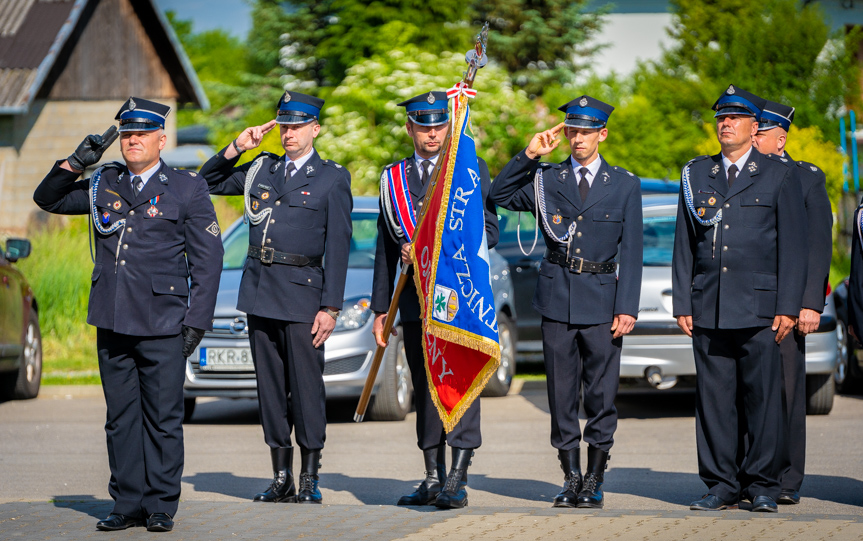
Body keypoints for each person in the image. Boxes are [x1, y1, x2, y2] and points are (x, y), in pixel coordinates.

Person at [33, 98, 224, 532]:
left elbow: (208, 263)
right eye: (126, 134)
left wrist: (196, 323)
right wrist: (78, 160)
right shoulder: (105, 182)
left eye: (141, 133)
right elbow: (48, 199)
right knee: (120, 417)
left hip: (163, 321)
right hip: (113, 318)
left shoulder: (186, 188)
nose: (133, 140)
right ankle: (126, 502)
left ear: (161, 137)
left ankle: (160, 504)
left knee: (162, 417)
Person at [489, 96, 643, 509]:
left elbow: (632, 251)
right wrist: (529, 153)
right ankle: (570, 476)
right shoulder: (545, 179)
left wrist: (627, 306)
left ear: (602, 135)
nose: (577, 138)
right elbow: (499, 193)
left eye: (586, 131)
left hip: (602, 300)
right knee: (560, 393)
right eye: (572, 131)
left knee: (600, 394)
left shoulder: (625, 184)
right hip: (557, 297)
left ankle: (595, 477)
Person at [199, 91, 352, 505]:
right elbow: (206, 182)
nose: (289, 133)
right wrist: (237, 147)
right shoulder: (260, 170)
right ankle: (280, 475)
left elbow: (338, 247)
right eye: (284, 125)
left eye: (298, 125)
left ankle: (309, 476)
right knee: (269, 389)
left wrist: (331, 306)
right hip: (260, 292)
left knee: (305, 389)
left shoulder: (332, 177)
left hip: (304, 297)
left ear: (315, 129)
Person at [672, 85, 808, 513]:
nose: (725, 124)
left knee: (763, 400)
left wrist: (788, 305)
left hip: (760, 309)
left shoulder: (779, 174)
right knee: (713, 402)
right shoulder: (696, 174)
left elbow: (794, 246)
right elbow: (684, 243)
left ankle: (763, 484)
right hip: (709, 306)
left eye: (734, 119)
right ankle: (721, 485)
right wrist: (682, 302)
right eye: (720, 119)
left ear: (754, 128)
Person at [371, 90, 499, 510]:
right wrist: (378, 310)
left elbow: (489, 232)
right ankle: (432, 474)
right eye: (423, 125)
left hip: (457, 296)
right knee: (427, 382)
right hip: (413, 301)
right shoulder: (393, 178)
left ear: (448, 126)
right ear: (409, 128)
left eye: (439, 125)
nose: (432, 133)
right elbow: (384, 251)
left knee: (458, 375)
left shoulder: (468, 168)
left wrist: (437, 248)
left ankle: (458, 476)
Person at [750, 99, 833, 505]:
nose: (753, 136)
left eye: (760, 132)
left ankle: (786, 479)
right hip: (749, 302)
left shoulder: (806, 178)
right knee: (747, 394)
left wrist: (809, 303)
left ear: (780, 138)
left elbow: (818, 246)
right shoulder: (744, 175)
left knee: (785, 392)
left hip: (789, 302)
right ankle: (750, 475)